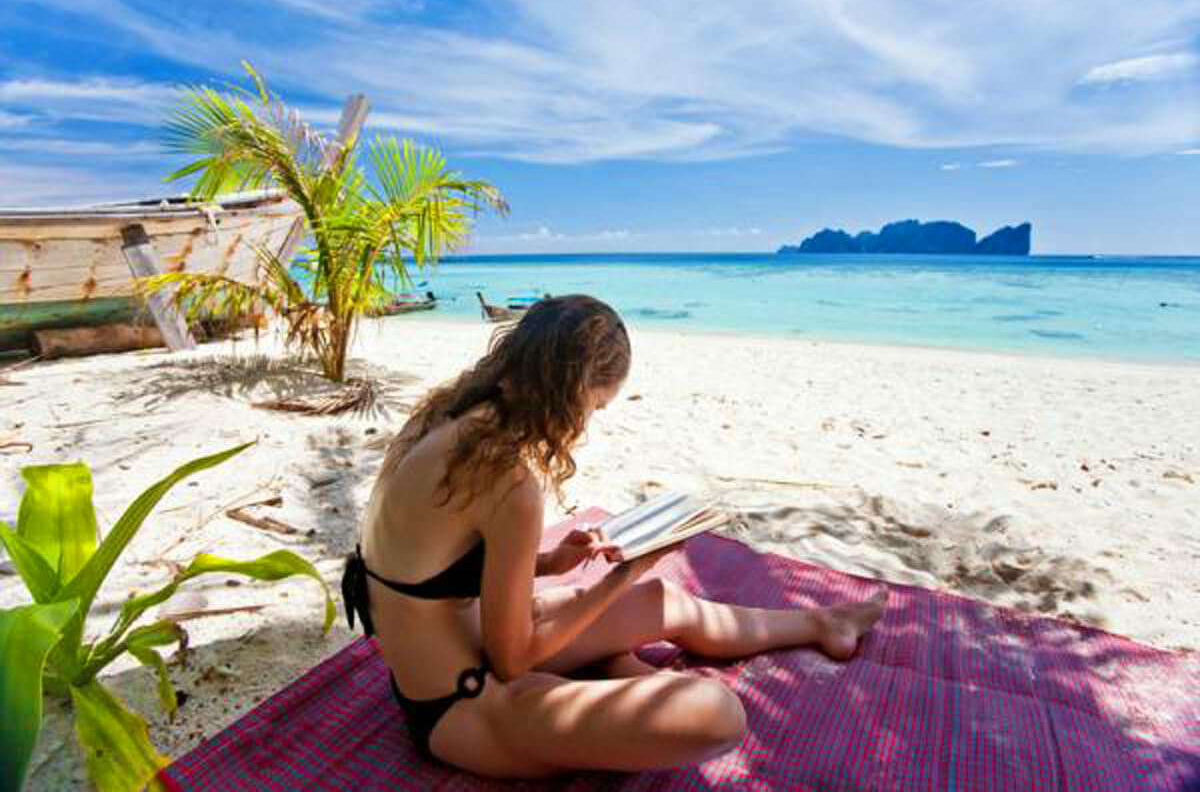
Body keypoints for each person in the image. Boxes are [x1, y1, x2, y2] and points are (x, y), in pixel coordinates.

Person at [341, 294, 886, 778]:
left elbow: (431, 558)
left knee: (663, 601)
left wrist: (552, 562)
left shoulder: (441, 420)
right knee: (717, 713)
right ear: (569, 392)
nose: (585, 424)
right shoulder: (506, 481)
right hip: (465, 706)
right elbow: (513, 661)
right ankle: (610, 666)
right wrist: (622, 574)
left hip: (465, 645)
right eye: (593, 406)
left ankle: (822, 622)